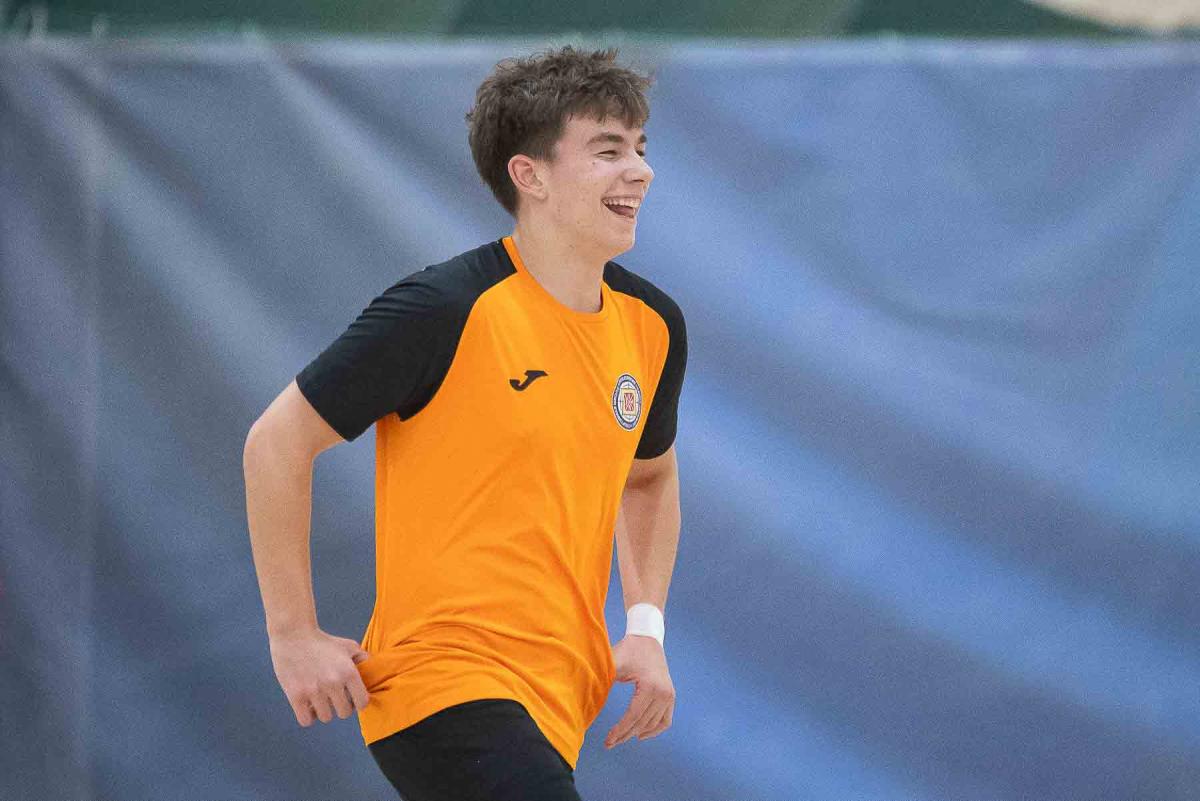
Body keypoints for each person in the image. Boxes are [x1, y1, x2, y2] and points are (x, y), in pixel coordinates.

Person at [243, 45, 687, 801]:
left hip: (557, 701)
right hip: (440, 685)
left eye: (641, 149)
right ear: (530, 175)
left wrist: (646, 627)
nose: (640, 171)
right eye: (609, 151)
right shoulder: (444, 308)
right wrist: (292, 634)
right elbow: (276, 443)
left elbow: (649, 478)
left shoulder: (652, 324)